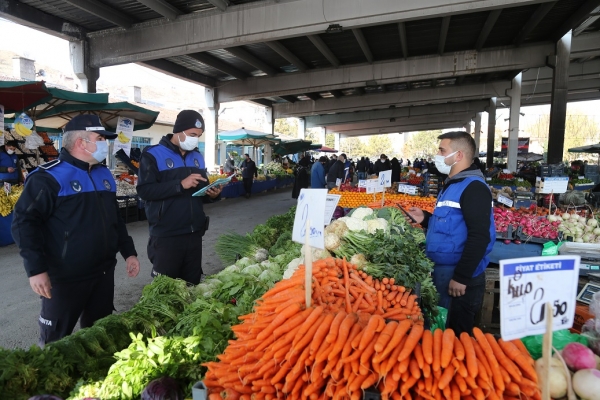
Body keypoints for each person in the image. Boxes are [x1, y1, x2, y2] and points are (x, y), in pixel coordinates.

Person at [11, 114, 140, 347]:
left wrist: (128, 252)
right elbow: (23, 223)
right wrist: (36, 269)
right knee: (55, 344)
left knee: (98, 338)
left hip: (103, 274)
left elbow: (115, 220)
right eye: (100, 138)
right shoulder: (48, 177)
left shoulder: (103, 174)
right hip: (65, 279)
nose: (105, 144)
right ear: (81, 143)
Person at [407, 131, 495, 335]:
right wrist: (426, 218)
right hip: (444, 274)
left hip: (460, 279)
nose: (437, 155)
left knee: (455, 336)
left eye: (441, 150)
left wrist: (462, 277)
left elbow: (480, 236)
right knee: (441, 332)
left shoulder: (474, 188)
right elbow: (454, 225)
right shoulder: (453, 185)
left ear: (458, 156)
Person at [137, 110, 222, 285]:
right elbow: (145, 191)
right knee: (166, 290)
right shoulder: (153, 154)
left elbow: (199, 193)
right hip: (167, 235)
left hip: (194, 234)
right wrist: (179, 185)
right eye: (192, 134)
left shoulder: (197, 156)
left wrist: (212, 195)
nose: (195, 139)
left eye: (198, 135)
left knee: (192, 286)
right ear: (178, 131)